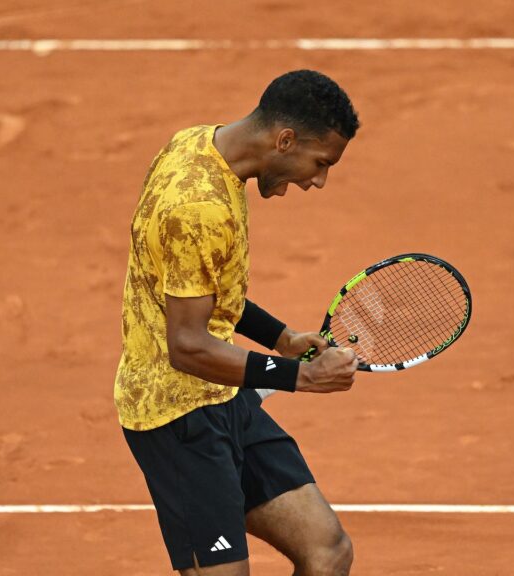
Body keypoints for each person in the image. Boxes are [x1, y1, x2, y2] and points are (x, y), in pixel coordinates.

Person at [115, 69, 361, 575]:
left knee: (327, 551)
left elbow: (206, 290)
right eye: (319, 163)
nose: (318, 180)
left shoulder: (197, 144)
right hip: (176, 415)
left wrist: (283, 337)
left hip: (224, 396)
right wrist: (300, 377)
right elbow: (186, 344)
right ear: (285, 139)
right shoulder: (199, 206)